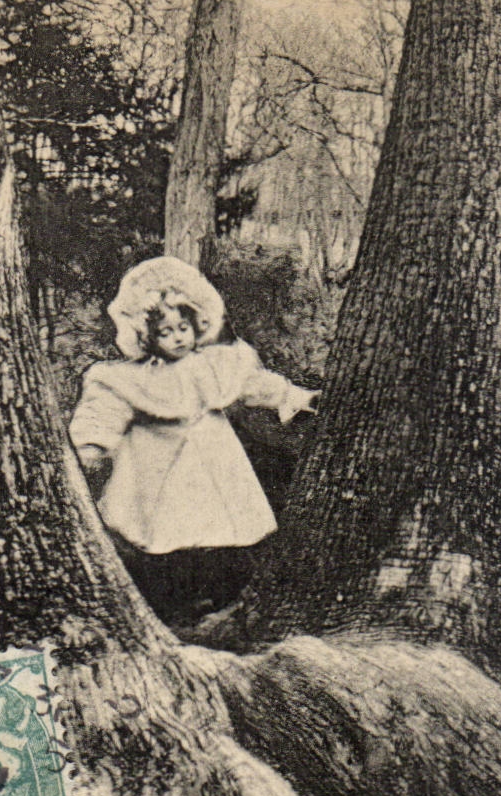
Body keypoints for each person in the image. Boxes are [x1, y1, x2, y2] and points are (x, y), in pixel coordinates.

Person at [69, 256, 318, 626]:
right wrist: (90, 447)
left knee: (222, 528)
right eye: (165, 332)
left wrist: (292, 396)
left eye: (182, 327)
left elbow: (252, 384)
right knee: (163, 535)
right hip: (157, 468)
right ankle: (173, 605)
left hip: (214, 461)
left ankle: (220, 597)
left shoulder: (215, 364)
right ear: (147, 337)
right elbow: (104, 410)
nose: (177, 337)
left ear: (196, 324)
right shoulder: (131, 379)